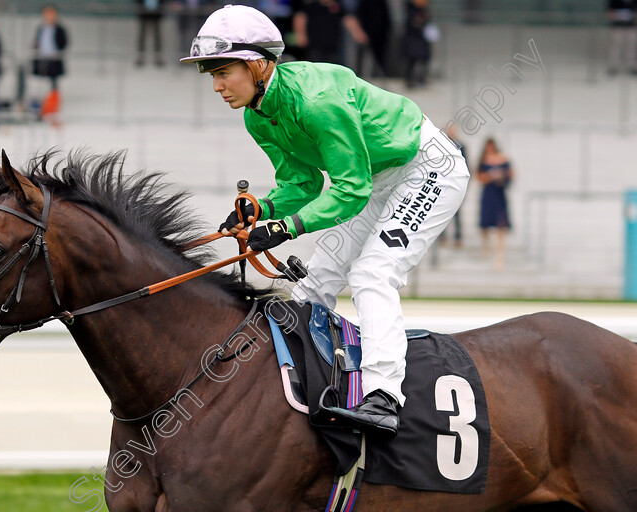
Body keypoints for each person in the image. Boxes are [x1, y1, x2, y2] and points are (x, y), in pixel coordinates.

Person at [181, 5, 470, 438]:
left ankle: (384, 398)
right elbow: (301, 183)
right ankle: (298, 386)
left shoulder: (317, 103)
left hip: (426, 167)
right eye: (212, 75)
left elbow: (349, 189)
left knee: (373, 273)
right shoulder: (256, 115)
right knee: (314, 283)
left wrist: (286, 228)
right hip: (374, 178)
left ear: (258, 64)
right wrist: (263, 209)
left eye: (224, 72)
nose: (218, 86)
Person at [292, 0, 366, 66]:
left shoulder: (338, 6)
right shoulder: (311, 6)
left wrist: (358, 34)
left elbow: (349, 20)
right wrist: (301, 35)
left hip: (333, 48)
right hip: (314, 47)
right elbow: (300, 18)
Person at [477, 138, 513, 270]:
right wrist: (490, 176)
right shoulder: (484, 160)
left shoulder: (503, 159)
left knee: (501, 226)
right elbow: (479, 176)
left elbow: (511, 175)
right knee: (485, 224)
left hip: (499, 194)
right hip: (488, 194)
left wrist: (501, 176)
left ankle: (499, 257)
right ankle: (486, 248)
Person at [31, 4, 68, 90]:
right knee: (40, 80)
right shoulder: (41, 28)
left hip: (54, 58)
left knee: (53, 80)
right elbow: (37, 41)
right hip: (42, 57)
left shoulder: (59, 29)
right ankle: (42, 98)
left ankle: (53, 97)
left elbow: (63, 42)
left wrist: (59, 51)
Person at [401, 0, 432, 88]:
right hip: (412, 40)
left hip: (421, 39)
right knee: (411, 60)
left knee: (423, 59)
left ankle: (420, 78)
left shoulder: (423, 10)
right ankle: (409, 80)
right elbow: (412, 24)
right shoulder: (410, 10)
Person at [607, 0, 637, 75]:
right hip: (618, 26)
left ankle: (632, 66)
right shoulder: (613, 1)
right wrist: (620, 15)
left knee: (631, 46)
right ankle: (613, 66)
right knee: (615, 46)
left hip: (631, 26)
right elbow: (610, 13)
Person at [135, 0, 166, 67]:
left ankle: (158, 57)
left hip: (156, 13)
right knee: (142, 36)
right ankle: (141, 56)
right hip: (143, 12)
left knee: (157, 36)